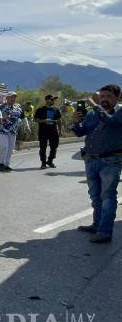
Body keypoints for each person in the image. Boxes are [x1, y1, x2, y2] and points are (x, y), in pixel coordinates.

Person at [71, 84, 122, 243]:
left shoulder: (120, 112)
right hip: (91, 159)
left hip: (110, 161)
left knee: (107, 196)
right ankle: (97, 224)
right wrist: (76, 122)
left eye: (108, 97)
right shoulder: (93, 114)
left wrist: (95, 106)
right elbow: (81, 132)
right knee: (95, 196)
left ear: (117, 98)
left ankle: (105, 231)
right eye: (102, 97)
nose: (104, 100)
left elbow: (111, 122)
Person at [0, 92, 26, 172]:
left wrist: (26, 126)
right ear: (7, 98)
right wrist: (3, 118)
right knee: (4, 147)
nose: (13, 99)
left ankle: (7, 164)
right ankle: (1, 164)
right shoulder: (1, 107)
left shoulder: (18, 107)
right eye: (11, 97)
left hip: (13, 131)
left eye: (14, 97)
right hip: (2, 130)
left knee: (10, 148)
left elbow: (23, 117)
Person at [34, 95, 62, 169]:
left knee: (54, 147)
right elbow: (35, 120)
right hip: (43, 131)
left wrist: (60, 130)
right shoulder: (40, 109)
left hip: (53, 131)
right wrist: (44, 121)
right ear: (46, 100)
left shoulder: (56, 109)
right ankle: (43, 163)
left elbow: (59, 120)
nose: (53, 101)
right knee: (43, 147)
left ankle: (50, 161)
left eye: (54, 100)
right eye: (51, 99)